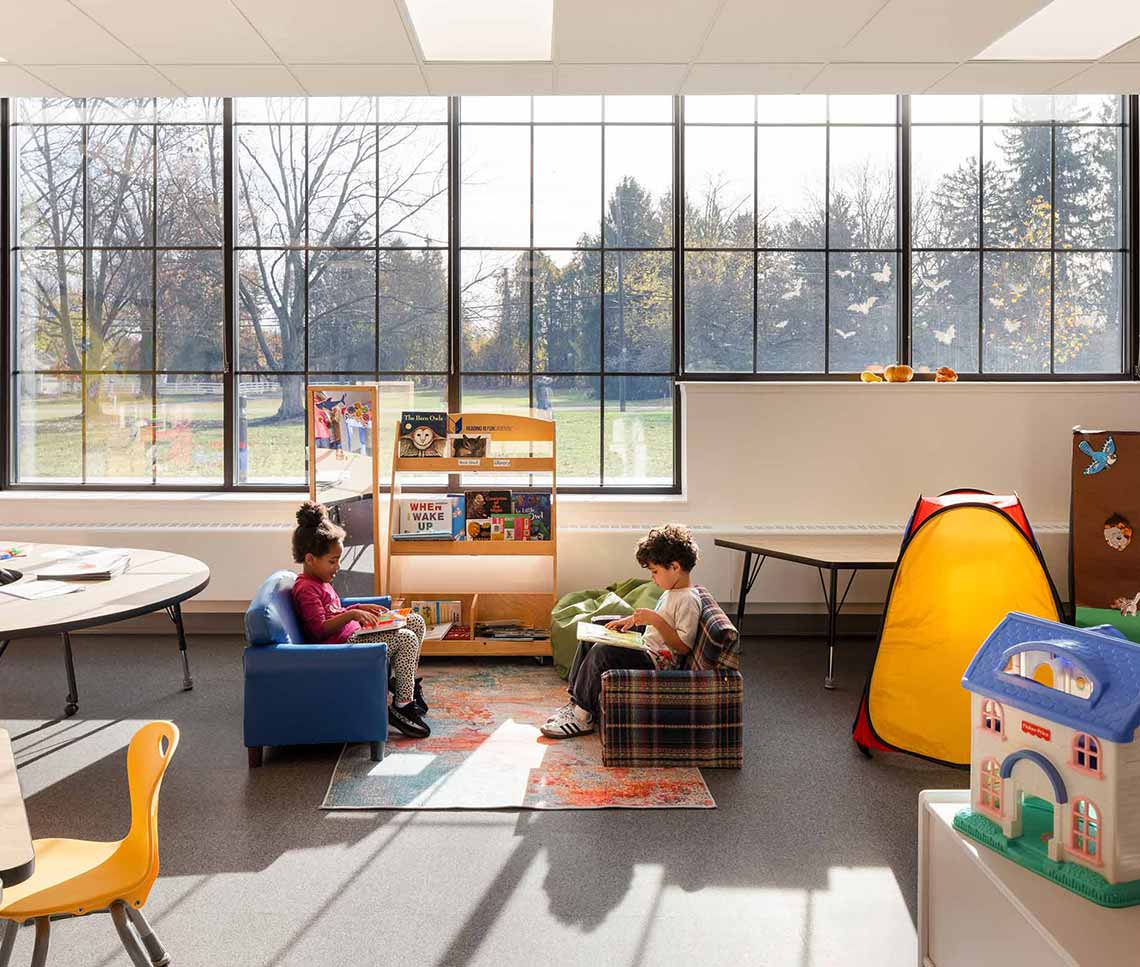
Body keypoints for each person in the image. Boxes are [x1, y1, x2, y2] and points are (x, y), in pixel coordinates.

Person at [541, 524, 702, 739]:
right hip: (646, 647)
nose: (653, 578)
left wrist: (655, 620)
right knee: (594, 633)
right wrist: (632, 620)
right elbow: (657, 625)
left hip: (656, 662)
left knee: (603, 652)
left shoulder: (688, 599)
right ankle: (576, 702)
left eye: (655, 572)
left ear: (674, 567)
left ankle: (582, 717)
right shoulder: (671, 591)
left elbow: (682, 646)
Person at [290, 501, 431, 738]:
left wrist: (357, 607)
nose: (337, 567)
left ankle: (404, 686)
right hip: (344, 648)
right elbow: (319, 630)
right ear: (310, 559)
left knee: (415, 621)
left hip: (353, 637)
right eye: (332, 561)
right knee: (405, 639)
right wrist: (352, 614)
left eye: (338, 560)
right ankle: (402, 707)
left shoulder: (320, 582)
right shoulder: (306, 588)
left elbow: (331, 611)